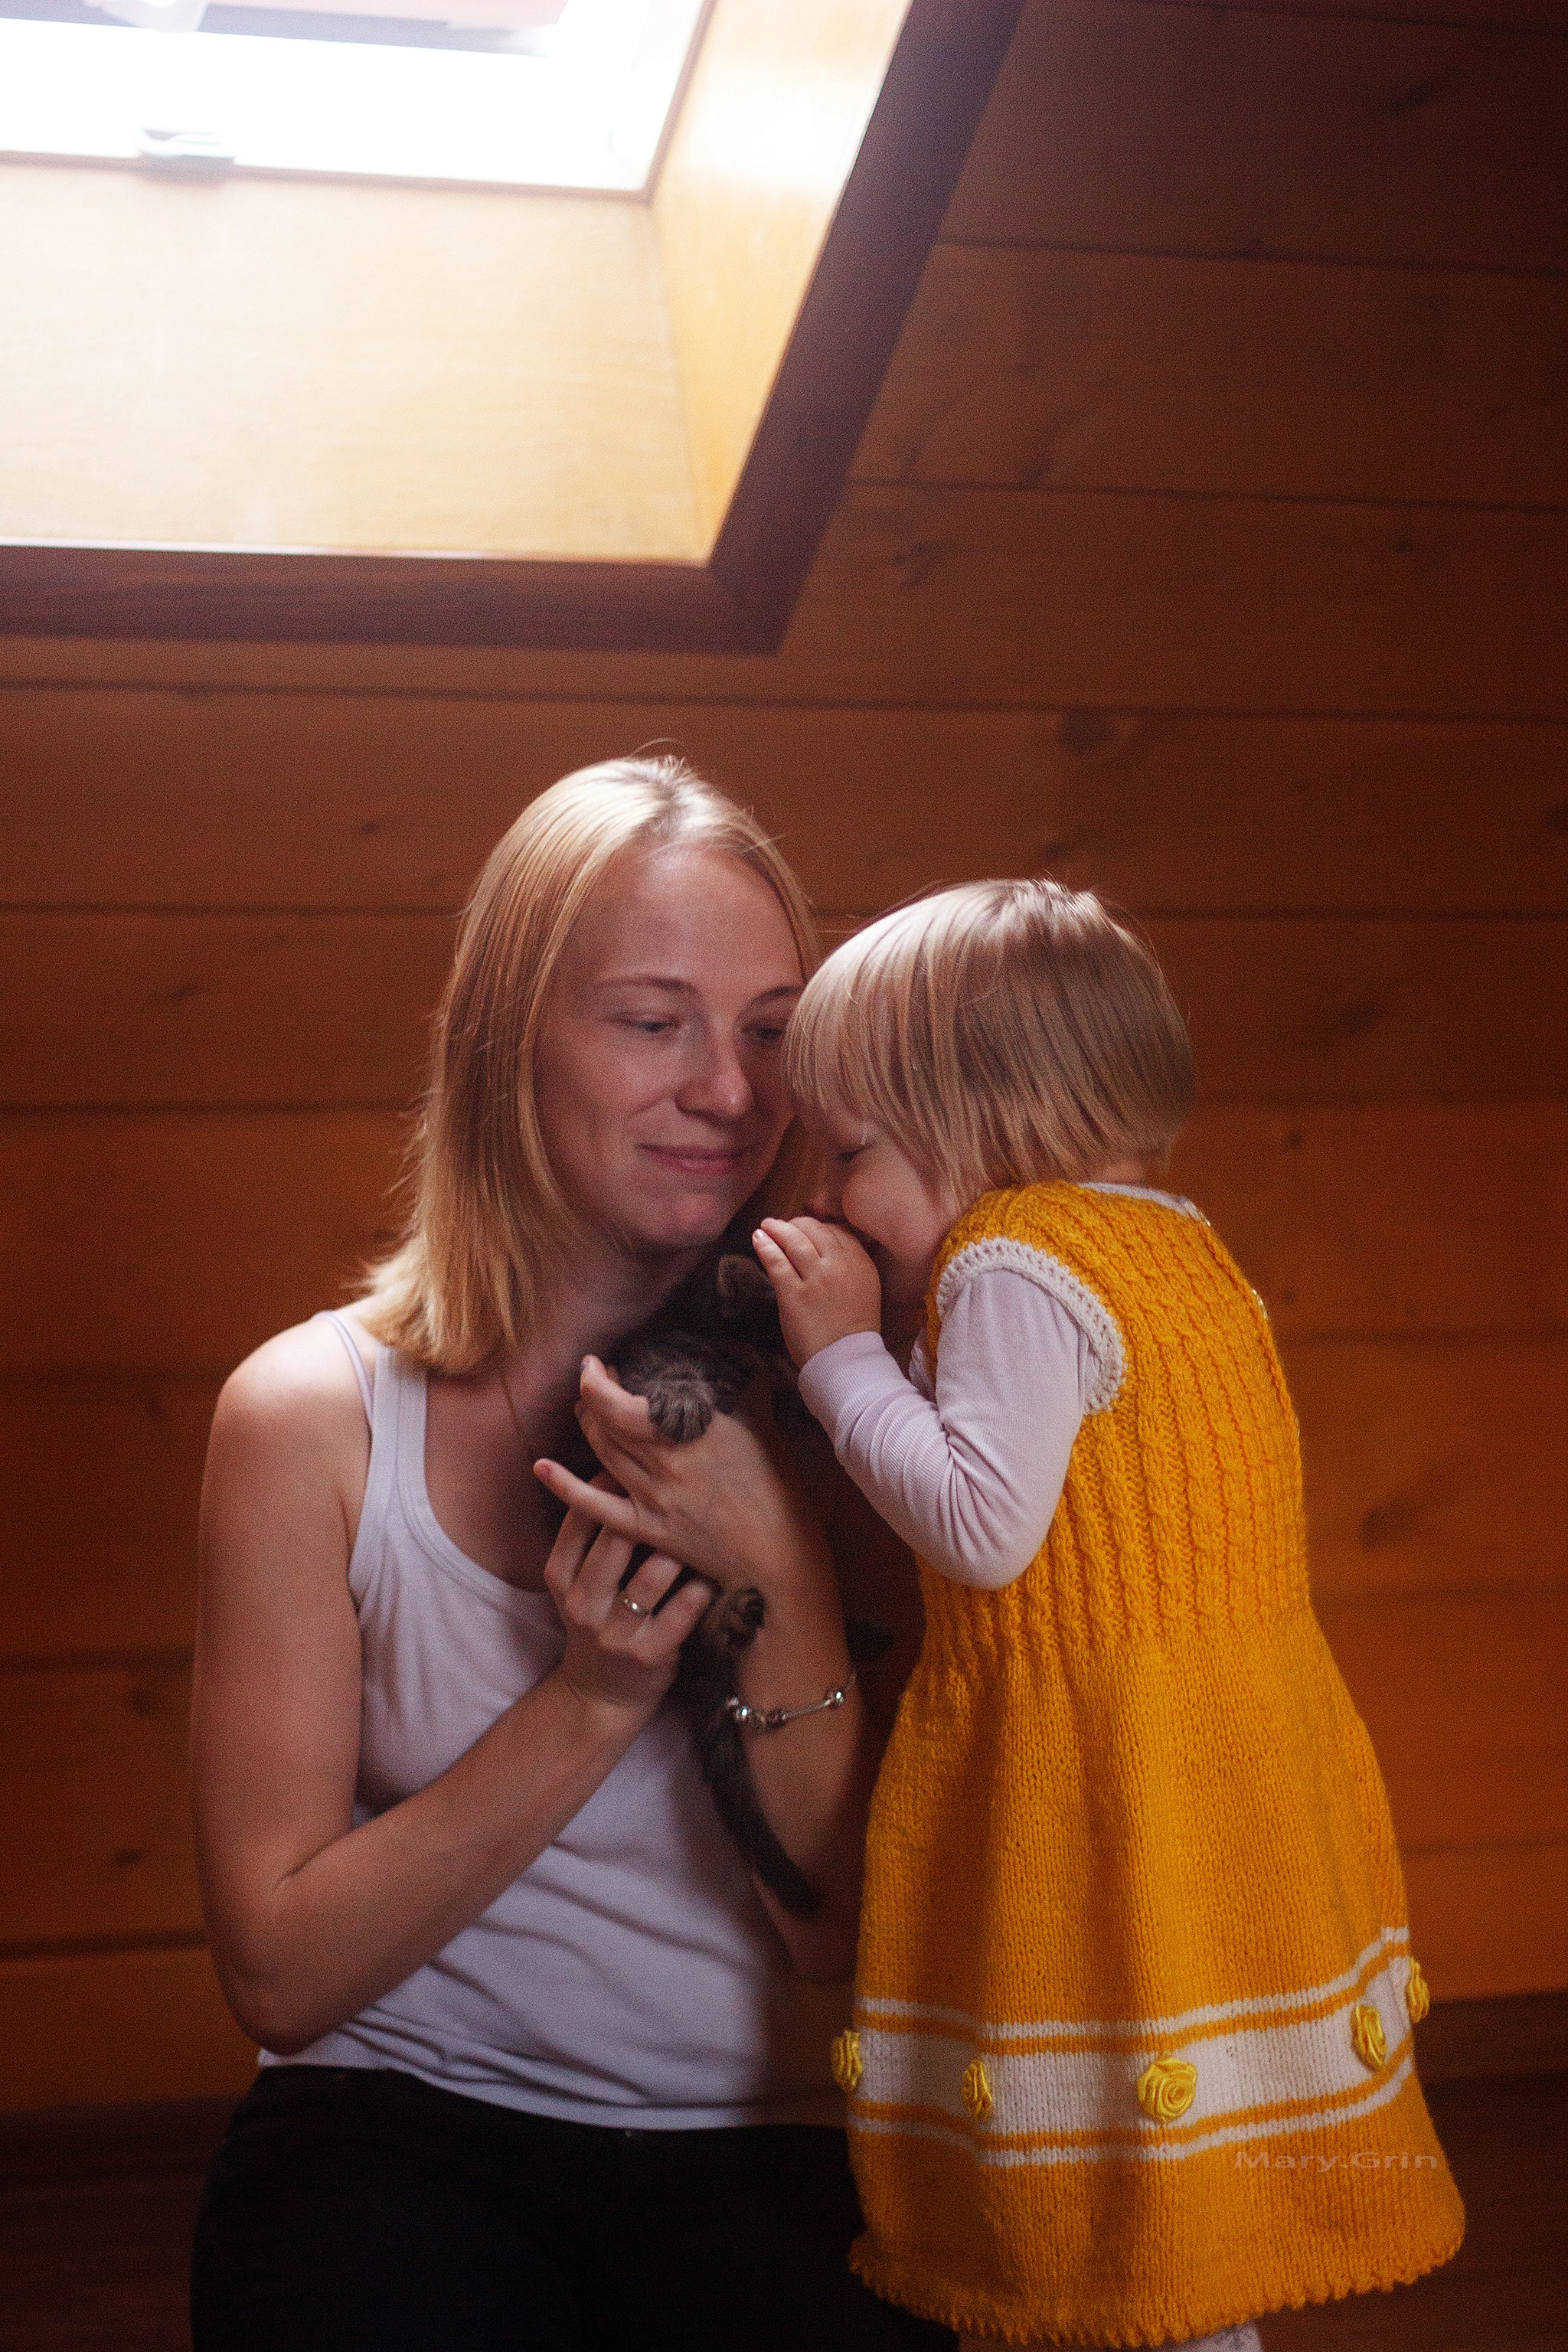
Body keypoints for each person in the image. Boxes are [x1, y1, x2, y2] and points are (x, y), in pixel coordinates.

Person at [550, 877, 1466, 2348]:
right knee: (1186, 2193)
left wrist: (842, 1355)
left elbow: (982, 1528)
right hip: (1225, 1757)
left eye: (853, 1150)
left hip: (1090, 1781)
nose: (827, 1195)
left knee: (1089, 2203)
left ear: (984, 1122)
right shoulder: (1177, 1240)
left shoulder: (1015, 1260)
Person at [188, 756, 952, 2351]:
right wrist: (590, 1699)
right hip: (396, 2118)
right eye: (653, 1021)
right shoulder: (311, 1418)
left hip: (775, 2137)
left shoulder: (876, 1412)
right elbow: (279, 1978)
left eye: (769, 1032)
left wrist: (783, 1569)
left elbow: (839, 1938)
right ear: (503, 1043)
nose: (729, 1092)